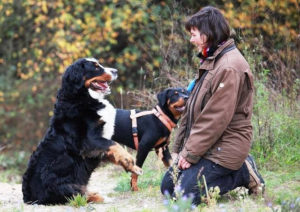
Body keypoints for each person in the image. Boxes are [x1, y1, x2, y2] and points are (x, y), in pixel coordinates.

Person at [160, 6, 265, 205]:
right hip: (208, 145)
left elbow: (215, 118)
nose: (191, 40)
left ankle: (243, 172)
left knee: (184, 196)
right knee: (167, 187)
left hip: (225, 146)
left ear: (208, 34)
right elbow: (192, 111)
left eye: (194, 35)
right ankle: (227, 171)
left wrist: (190, 154)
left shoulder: (229, 67)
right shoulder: (212, 60)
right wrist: (179, 150)